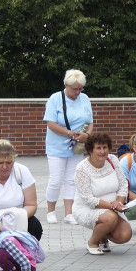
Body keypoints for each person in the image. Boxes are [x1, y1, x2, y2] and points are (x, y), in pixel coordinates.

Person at [44, 69, 93, 225]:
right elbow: (51, 124)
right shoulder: (55, 99)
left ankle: (68, 213)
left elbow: (90, 122)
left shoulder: (84, 98)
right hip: (57, 145)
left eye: (80, 89)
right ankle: (50, 211)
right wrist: (70, 134)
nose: (78, 92)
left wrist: (87, 135)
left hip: (76, 146)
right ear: (66, 85)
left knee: (72, 180)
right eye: (75, 89)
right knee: (56, 180)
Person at [72, 133, 133, 255]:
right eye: (98, 148)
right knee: (110, 218)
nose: (102, 151)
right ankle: (93, 242)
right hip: (86, 209)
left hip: (113, 208)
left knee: (125, 235)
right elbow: (88, 199)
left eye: (105, 147)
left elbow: (123, 185)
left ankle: (103, 237)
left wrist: (119, 202)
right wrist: (113, 206)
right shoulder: (81, 168)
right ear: (90, 150)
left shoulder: (113, 160)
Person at [0, 139, 42, 240]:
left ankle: (26, 252)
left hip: (17, 217)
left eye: (9, 163)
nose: (4, 167)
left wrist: (13, 218)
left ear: (14, 161)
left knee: (35, 226)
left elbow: (31, 205)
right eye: (0, 163)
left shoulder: (22, 171)